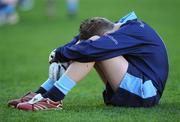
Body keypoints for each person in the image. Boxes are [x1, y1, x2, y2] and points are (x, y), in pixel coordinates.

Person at [8, 12, 169, 111]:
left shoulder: (132, 30)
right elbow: (80, 40)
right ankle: (41, 94)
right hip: (140, 87)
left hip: (145, 94)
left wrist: (60, 53)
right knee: (90, 45)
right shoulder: (122, 26)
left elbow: (91, 46)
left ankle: (53, 99)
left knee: (92, 48)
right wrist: (61, 52)